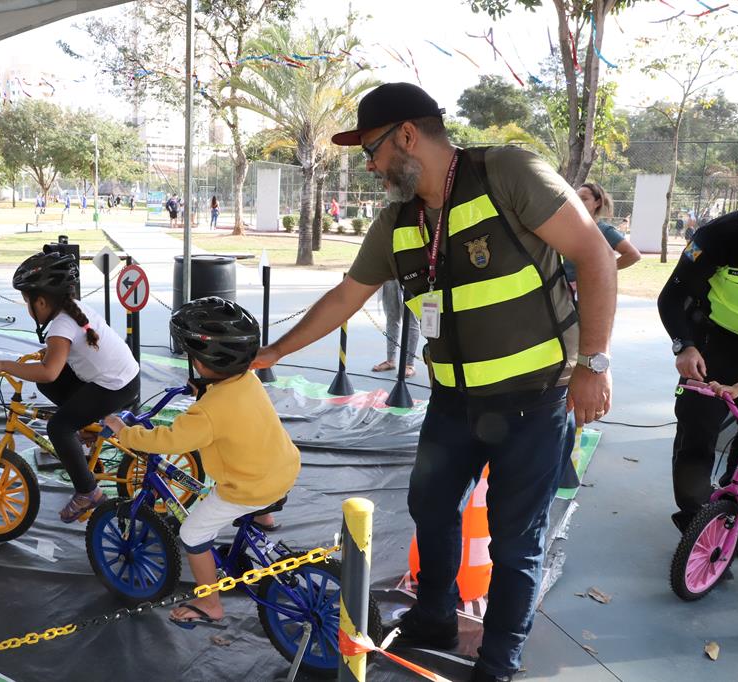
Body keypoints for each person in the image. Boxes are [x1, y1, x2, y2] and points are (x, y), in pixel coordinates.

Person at [251, 82, 616, 682]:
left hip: (534, 399)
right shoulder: (397, 221)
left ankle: (499, 660)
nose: (368, 166)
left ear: (407, 135)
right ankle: (437, 616)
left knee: (514, 541)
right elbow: (347, 295)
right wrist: (272, 354)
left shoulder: (508, 172)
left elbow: (596, 256)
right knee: (430, 506)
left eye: (371, 150)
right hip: (451, 402)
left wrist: (593, 363)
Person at [105, 297, 300, 628]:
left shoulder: (206, 413)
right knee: (249, 469)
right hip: (283, 469)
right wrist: (204, 389)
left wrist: (126, 433)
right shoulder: (248, 380)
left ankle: (209, 603)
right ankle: (262, 519)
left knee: (192, 533)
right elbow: (227, 409)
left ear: (200, 360)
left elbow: (168, 440)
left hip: (248, 487)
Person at [0, 252, 141, 522]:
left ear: (41, 301)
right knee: (47, 387)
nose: (28, 308)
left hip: (115, 387)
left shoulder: (61, 324)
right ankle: (88, 428)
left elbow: (49, 371)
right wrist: (50, 352)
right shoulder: (71, 311)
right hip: (123, 378)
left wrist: (3, 364)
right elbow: (59, 362)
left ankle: (88, 492)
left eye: (27, 302)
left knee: (58, 427)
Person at [657, 206, 738, 533]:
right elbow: (671, 296)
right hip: (713, 343)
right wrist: (684, 345)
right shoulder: (718, 236)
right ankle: (696, 520)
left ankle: (730, 517)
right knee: (696, 428)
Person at [564, 182, 641, 295]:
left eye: (584, 199)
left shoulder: (604, 230)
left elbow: (633, 255)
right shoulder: (570, 228)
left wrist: (603, 270)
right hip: (565, 291)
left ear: (598, 202)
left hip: (588, 293)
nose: (578, 202)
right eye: (576, 198)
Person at [372, 279, 420, 377]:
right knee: (391, 319)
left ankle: (409, 364)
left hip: (407, 276)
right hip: (389, 276)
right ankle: (390, 361)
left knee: (410, 321)